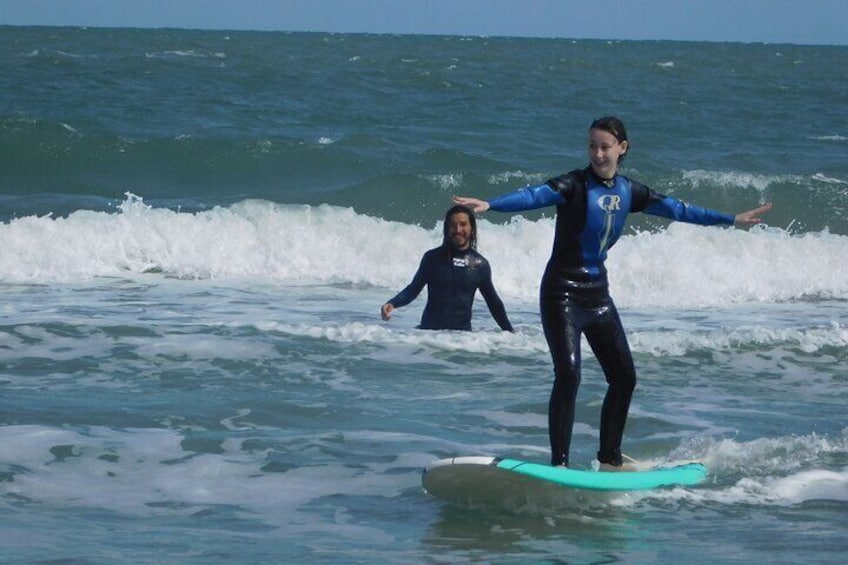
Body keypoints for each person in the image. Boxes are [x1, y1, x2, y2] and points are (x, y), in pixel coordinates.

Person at [453, 116, 772, 470]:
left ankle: (609, 458)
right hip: (561, 292)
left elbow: (679, 210)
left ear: (622, 148)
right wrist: (492, 204)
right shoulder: (574, 184)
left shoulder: (629, 192)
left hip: (598, 295)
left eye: (605, 146)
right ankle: (559, 464)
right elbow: (534, 195)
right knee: (569, 374)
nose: (597, 153)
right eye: (592, 146)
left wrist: (731, 219)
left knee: (624, 377)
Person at [381, 204, 514, 332]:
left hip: (461, 338)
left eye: (463, 224)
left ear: (472, 228)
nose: (457, 230)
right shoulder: (432, 258)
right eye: (453, 225)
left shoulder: (480, 265)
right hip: (428, 335)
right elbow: (413, 289)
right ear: (446, 228)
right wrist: (392, 304)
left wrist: (510, 332)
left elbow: (493, 302)